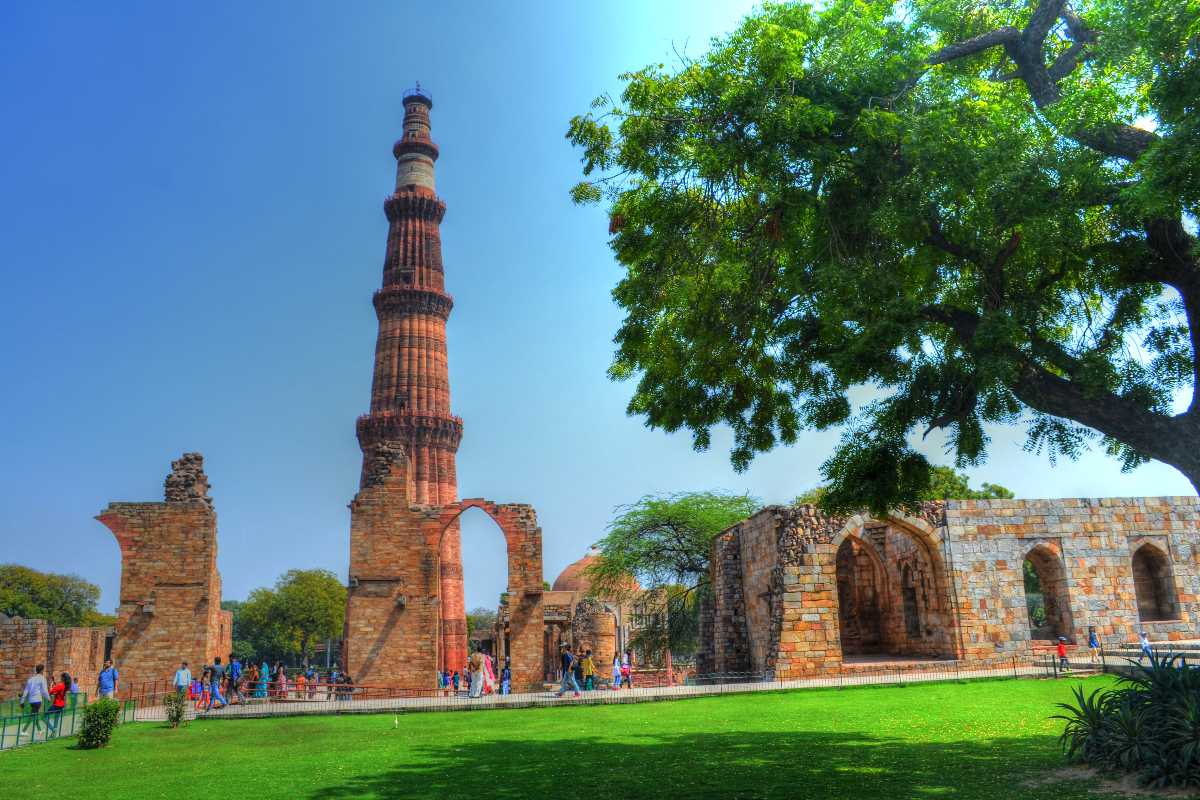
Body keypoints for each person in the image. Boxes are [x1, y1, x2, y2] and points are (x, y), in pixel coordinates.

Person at [18, 664, 50, 741]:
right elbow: (44, 691)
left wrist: (22, 701)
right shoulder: (42, 678)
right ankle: (23, 731)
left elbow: (26, 691)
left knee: (35, 714)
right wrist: (48, 698)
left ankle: (39, 730)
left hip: (31, 701)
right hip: (38, 700)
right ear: (42, 670)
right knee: (33, 716)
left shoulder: (30, 679)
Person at [45, 672, 70, 737]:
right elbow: (62, 695)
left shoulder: (60, 685)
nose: (60, 678)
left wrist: (51, 686)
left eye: (61, 677)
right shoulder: (65, 686)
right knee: (56, 719)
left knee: (44, 717)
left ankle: (53, 730)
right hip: (61, 705)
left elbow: (50, 692)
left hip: (56, 705)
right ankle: (53, 735)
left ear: (63, 678)